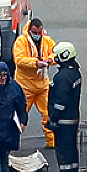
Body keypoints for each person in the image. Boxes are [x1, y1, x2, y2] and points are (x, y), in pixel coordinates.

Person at [12, 18, 57, 148]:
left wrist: (49, 60)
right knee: (19, 115)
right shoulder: (21, 41)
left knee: (48, 113)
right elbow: (19, 60)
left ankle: (52, 142)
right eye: (34, 32)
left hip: (42, 85)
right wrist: (36, 63)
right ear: (30, 30)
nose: (37, 35)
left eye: (39, 32)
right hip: (25, 86)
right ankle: (11, 142)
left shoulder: (47, 40)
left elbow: (55, 53)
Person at [46, 42, 82, 172]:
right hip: (72, 117)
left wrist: (53, 118)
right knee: (72, 149)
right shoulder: (74, 72)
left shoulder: (62, 77)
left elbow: (60, 101)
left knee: (64, 151)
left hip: (63, 120)